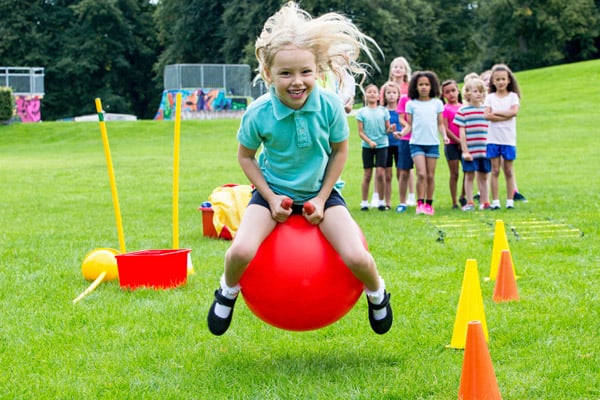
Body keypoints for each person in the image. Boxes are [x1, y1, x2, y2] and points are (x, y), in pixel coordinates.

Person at [207, 1, 393, 336]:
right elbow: (246, 157)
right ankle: (227, 291)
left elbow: (339, 151)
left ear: (318, 71)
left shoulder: (330, 106)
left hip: (321, 194)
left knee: (357, 257)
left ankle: (377, 294)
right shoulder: (259, 112)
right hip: (270, 196)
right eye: (285, 73)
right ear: (268, 74)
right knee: (241, 250)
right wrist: (270, 196)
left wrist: (322, 198)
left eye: (305, 72)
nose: (297, 82)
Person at [396, 71, 448, 215]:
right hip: (416, 143)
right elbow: (409, 125)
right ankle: (420, 204)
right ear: (415, 87)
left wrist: (444, 136)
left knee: (430, 176)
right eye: (421, 85)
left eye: (426, 84)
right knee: (422, 174)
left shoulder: (437, 103)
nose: (424, 87)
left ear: (432, 86)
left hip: (432, 143)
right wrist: (401, 133)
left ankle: (429, 204)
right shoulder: (412, 104)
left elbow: (441, 124)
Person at [484, 63, 522, 210]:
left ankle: (510, 200)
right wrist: (503, 115)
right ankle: (495, 201)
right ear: (493, 81)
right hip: (493, 139)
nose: (500, 82)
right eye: (497, 79)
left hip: (508, 139)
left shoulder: (513, 97)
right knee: (495, 170)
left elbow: (513, 112)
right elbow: (487, 115)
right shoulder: (490, 97)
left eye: (503, 79)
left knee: (509, 170)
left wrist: (496, 114)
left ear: (508, 80)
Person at [453, 78, 491, 211]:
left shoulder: (487, 110)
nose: (478, 94)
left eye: (481, 91)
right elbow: (462, 133)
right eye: (475, 91)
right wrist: (465, 151)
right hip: (470, 151)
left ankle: (485, 202)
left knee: (484, 175)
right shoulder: (463, 111)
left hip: (485, 150)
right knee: (469, 175)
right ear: (468, 93)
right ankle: (469, 202)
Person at [358, 84, 392, 211]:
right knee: (367, 174)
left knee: (380, 173)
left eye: (374, 92)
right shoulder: (362, 112)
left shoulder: (383, 111)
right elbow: (360, 132)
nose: (372, 94)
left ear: (379, 96)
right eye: (369, 92)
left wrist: (391, 129)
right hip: (367, 146)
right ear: (365, 95)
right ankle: (364, 202)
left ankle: (381, 201)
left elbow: (387, 129)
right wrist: (369, 141)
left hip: (382, 145)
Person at [440, 80, 463, 209]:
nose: (451, 94)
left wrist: (464, 142)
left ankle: (463, 196)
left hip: (465, 144)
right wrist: (458, 141)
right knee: (454, 173)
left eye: (453, 91)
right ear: (443, 95)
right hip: (452, 144)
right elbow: (445, 127)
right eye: (447, 92)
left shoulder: (463, 107)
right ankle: (454, 201)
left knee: (468, 171)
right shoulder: (444, 109)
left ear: (458, 91)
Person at [381, 81, 402, 210]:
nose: (391, 95)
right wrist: (388, 131)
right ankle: (387, 202)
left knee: (401, 174)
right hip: (386, 145)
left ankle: (402, 201)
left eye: (394, 93)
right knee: (388, 175)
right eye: (389, 93)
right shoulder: (382, 111)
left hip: (400, 145)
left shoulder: (402, 111)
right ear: (384, 95)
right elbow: (380, 129)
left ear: (398, 95)